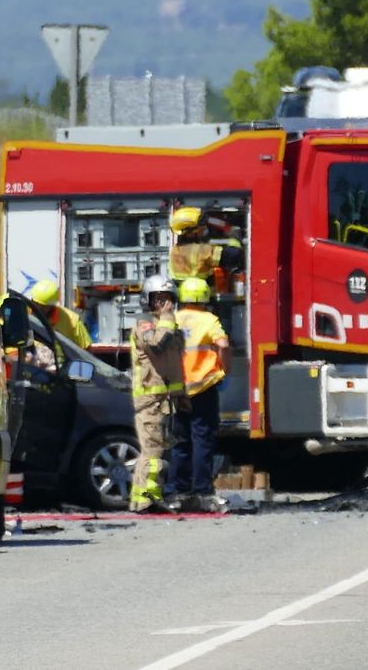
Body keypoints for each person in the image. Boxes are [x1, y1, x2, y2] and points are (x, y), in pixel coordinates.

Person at [165, 278, 231, 513]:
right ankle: (202, 490)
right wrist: (224, 368)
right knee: (202, 439)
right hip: (202, 388)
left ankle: (176, 491)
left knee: (180, 441)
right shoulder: (208, 320)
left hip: (177, 388)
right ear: (205, 298)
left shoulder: (171, 319)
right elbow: (222, 344)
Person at [127, 276, 188, 514]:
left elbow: (176, 364)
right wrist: (166, 320)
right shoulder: (145, 325)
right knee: (152, 453)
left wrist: (183, 395)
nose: (165, 305)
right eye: (159, 299)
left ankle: (149, 496)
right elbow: (155, 346)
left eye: (168, 299)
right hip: (151, 402)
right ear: (148, 301)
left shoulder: (170, 327)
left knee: (161, 453)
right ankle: (145, 500)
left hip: (168, 402)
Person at [169, 206, 243, 285]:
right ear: (190, 233)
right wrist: (234, 240)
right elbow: (234, 255)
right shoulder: (202, 250)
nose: (204, 228)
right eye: (201, 226)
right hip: (202, 294)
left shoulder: (175, 250)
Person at [28, 279, 92, 350]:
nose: (38, 309)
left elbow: (86, 349)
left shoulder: (72, 320)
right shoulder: (23, 316)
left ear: (52, 306)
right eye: (36, 304)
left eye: (43, 307)